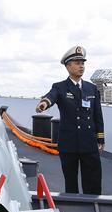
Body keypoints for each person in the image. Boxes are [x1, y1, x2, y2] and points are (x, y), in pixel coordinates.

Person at [36, 46, 104, 195]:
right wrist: (44, 103)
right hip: (69, 143)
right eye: (77, 63)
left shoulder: (91, 88)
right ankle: (73, 206)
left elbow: (97, 115)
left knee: (93, 181)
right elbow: (51, 96)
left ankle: (93, 206)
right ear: (68, 66)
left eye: (83, 63)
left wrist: (100, 138)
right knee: (71, 182)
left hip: (88, 142)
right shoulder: (60, 87)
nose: (81, 66)